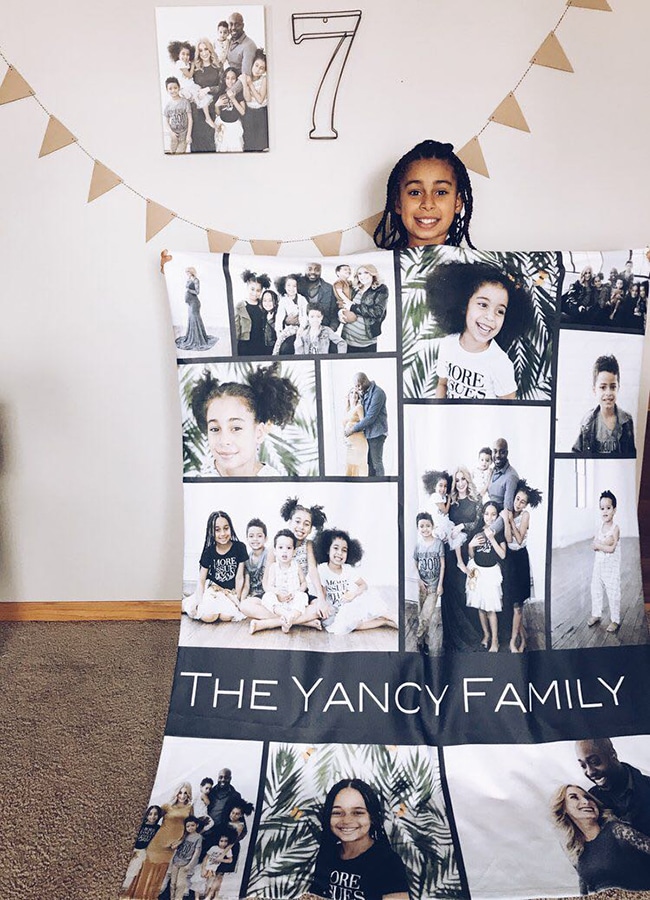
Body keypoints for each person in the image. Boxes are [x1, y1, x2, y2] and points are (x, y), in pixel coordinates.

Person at [427, 261, 534, 400]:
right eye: (483, 305)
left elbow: (508, 410)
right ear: (464, 305)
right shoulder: (447, 344)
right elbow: (443, 384)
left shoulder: (501, 363)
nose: (490, 317)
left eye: (500, 311)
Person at [190, 364, 300, 477]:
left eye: (236, 428)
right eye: (215, 429)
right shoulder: (196, 481)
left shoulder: (274, 482)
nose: (224, 440)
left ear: (259, 433)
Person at [309, 779, 409, 900]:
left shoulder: (388, 862)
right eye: (337, 812)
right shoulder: (327, 854)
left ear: (372, 817)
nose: (346, 820)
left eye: (357, 812)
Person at [373, 139, 474, 250]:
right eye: (415, 192)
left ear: (457, 203)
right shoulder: (365, 266)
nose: (427, 204)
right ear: (398, 203)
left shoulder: (480, 266)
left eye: (441, 192)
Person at [550, 784, 650, 895]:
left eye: (588, 797)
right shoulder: (577, 852)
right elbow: (585, 894)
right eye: (574, 797)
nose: (586, 802)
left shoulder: (617, 830)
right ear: (563, 809)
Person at [243, 498, 328, 628]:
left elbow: (312, 570)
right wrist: (277, 594)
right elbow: (266, 582)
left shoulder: (309, 545)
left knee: (322, 607)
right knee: (244, 605)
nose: (301, 527)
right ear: (289, 522)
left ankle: (269, 623)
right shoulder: (276, 545)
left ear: (310, 529)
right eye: (297, 521)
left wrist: (321, 599)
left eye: (306, 524)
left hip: (297, 593)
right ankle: (303, 621)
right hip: (277, 594)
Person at [315, 528, 397, 635]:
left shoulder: (347, 569)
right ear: (327, 550)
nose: (340, 553)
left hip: (350, 605)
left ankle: (391, 616)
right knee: (351, 625)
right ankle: (384, 622)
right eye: (336, 548)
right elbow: (322, 593)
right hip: (336, 611)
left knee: (369, 603)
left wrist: (354, 594)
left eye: (344, 550)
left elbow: (363, 585)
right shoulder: (322, 569)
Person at [440, 466, 483, 653]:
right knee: (451, 591)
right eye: (457, 480)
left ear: (468, 479)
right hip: (451, 552)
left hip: (470, 550)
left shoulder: (476, 500)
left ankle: (473, 635)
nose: (460, 483)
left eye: (463, 479)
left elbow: (479, 523)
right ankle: (452, 637)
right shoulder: (451, 501)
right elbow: (443, 521)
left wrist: (462, 526)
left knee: (467, 590)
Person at [125, 784, 194, 899]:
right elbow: (152, 817)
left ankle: (150, 896)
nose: (182, 796)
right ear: (176, 793)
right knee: (147, 866)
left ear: (189, 794)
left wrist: (181, 841)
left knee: (161, 871)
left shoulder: (189, 808)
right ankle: (137, 895)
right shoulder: (167, 806)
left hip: (172, 847)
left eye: (185, 793)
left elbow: (189, 827)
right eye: (180, 792)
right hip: (157, 842)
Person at [575, 738, 650, 837]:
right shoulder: (590, 801)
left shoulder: (647, 785)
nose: (590, 772)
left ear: (612, 754)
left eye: (594, 762)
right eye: (583, 765)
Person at [182, 510, 248, 624]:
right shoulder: (209, 552)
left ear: (231, 528)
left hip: (229, 593)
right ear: (211, 532)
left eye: (226, 528)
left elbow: (240, 577)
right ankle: (185, 604)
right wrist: (198, 600)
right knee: (209, 616)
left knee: (227, 616)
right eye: (217, 530)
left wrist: (236, 598)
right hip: (212, 589)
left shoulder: (240, 547)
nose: (222, 534)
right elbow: (202, 580)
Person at [503, 479, 542, 653]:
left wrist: (511, 522)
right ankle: (524, 639)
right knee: (512, 603)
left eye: (522, 501)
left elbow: (518, 539)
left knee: (518, 604)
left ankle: (514, 641)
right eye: (517, 499)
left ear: (526, 504)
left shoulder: (525, 515)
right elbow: (508, 539)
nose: (518, 503)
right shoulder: (508, 511)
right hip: (508, 558)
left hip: (520, 559)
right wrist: (508, 520)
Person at [572, 355, 636, 456]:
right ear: (594, 390)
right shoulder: (587, 422)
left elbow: (632, 455)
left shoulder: (627, 421)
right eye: (603, 387)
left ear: (618, 388)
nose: (608, 393)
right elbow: (576, 453)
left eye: (613, 387)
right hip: (595, 470)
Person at [466, 501, 507, 652]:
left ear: (497, 516)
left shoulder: (499, 531)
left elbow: (502, 555)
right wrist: (471, 545)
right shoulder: (477, 531)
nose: (489, 517)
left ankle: (495, 641)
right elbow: (471, 556)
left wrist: (492, 538)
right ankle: (486, 635)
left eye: (493, 514)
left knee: (491, 609)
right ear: (483, 515)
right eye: (487, 514)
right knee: (480, 607)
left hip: (491, 573)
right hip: (478, 572)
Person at [259, 529, 310, 632]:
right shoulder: (273, 567)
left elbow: (304, 583)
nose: (284, 551)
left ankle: (289, 618)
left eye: (289, 548)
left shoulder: (297, 566)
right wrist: (278, 594)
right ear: (275, 551)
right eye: (281, 547)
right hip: (279, 602)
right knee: (267, 597)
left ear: (294, 551)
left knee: (303, 596)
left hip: (293, 599)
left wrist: (297, 592)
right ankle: (287, 615)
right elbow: (270, 586)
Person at [587, 490, 621, 634]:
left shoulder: (615, 529)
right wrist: (601, 544)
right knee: (595, 589)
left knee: (613, 592)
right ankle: (596, 613)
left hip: (611, 568)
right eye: (602, 508)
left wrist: (600, 545)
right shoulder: (599, 527)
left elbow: (611, 548)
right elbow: (593, 544)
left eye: (608, 508)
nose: (605, 511)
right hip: (598, 566)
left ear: (614, 510)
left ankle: (615, 619)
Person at [413, 512, 445, 655]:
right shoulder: (418, 545)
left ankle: (418, 640)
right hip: (422, 586)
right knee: (422, 614)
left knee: (426, 614)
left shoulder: (438, 543)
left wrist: (440, 584)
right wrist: (419, 579)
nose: (425, 529)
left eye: (427, 526)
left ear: (432, 526)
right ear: (418, 528)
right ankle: (424, 641)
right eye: (422, 526)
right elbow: (415, 562)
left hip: (433, 586)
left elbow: (443, 565)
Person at [344, 373, 388, 477]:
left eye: (358, 386)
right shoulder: (365, 392)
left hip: (376, 434)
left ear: (364, 381)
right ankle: (371, 486)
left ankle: (381, 486)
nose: (357, 389)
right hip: (367, 435)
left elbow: (370, 418)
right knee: (369, 464)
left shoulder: (378, 393)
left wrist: (352, 430)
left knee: (376, 463)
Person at [339, 265, 389, 353]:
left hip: (366, 343)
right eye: (359, 274)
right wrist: (340, 312)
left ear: (373, 274)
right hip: (347, 339)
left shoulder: (381, 289)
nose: (363, 276)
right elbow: (343, 303)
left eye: (366, 272)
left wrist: (353, 307)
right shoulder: (354, 288)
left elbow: (378, 312)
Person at [167, 41, 214, 127]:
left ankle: (207, 117)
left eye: (187, 54)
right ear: (178, 55)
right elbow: (189, 75)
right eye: (183, 54)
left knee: (202, 97)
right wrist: (192, 66)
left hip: (190, 85)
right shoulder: (179, 63)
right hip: (185, 87)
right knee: (198, 97)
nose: (185, 56)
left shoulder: (186, 63)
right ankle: (206, 117)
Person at [190, 39, 224, 153]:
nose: (204, 53)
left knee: (211, 141)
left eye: (206, 49)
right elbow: (190, 85)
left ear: (210, 50)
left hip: (212, 108)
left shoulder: (218, 66)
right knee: (197, 143)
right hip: (197, 110)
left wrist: (209, 89)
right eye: (200, 50)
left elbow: (222, 86)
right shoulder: (195, 68)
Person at [175, 267, 218, 352]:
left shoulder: (196, 280)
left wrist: (189, 290)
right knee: (191, 319)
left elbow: (197, 292)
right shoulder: (189, 279)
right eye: (186, 272)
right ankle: (192, 336)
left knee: (195, 318)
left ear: (191, 272)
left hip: (195, 303)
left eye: (188, 272)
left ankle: (198, 338)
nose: (186, 274)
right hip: (190, 303)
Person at [121, 806, 163, 893]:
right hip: (133, 848)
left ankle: (124, 888)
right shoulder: (141, 824)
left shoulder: (157, 828)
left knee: (133, 869)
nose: (152, 816)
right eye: (150, 814)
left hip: (142, 851)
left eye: (155, 814)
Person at [193, 826, 240, 899]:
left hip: (212, 870)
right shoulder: (213, 848)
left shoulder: (228, 851)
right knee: (199, 883)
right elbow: (206, 857)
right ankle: (197, 898)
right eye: (221, 841)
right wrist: (203, 868)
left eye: (226, 841)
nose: (223, 843)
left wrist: (221, 860)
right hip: (205, 867)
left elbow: (230, 860)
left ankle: (208, 896)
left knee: (208, 884)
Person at [487, 438, 519, 535]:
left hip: (498, 530)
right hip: (487, 520)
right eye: (495, 451)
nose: (497, 455)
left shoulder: (511, 477)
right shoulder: (491, 471)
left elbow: (507, 512)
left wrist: (488, 532)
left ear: (507, 453)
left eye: (502, 452)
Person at [235, 269, 271, 356]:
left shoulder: (264, 305)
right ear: (247, 288)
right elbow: (236, 329)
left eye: (258, 290)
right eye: (252, 289)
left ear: (261, 291)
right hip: (245, 345)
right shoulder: (240, 306)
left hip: (261, 344)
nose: (255, 293)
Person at [168, 816, 203, 900]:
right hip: (176, 862)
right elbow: (174, 846)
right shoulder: (183, 835)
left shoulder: (198, 837)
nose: (190, 828)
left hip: (185, 864)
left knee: (180, 884)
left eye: (192, 825)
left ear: (196, 825)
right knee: (173, 883)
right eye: (188, 826)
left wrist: (190, 865)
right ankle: (172, 898)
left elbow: (196, 852)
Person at [273, 273, 309, 352]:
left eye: (294, 286)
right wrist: (279, 332)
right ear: (284, 287)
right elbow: (279, 317)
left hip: (303, 328)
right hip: (289, 329)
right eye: (288, 285)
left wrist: (302, 327)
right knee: (282, 346)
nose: (291, 288)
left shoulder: (302, 299)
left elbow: (304, 315)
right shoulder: (283, 301)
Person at [241, 49, 268, 151]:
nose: (258, 70)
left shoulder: (264, 79)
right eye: (256, 65)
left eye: (262, 68)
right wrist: (245, 83)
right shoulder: (247, 77)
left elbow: (260, 99)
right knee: (249, 142)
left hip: (261, 113)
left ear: (264, 70)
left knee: (261, 143)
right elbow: (247, 98)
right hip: (249, 112)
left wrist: (250, 84)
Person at [214, 67, 246, 152]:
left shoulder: (238, 93)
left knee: (236, 148)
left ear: (236, 80)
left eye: (233, 78)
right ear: (224, 79)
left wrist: (233, 99)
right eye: (227, 78)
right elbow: (218, 113)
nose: (230, 81)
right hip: (222, 125)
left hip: (234, 126)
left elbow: (243, 112)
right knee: (222, 148)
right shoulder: (220, 92)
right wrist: (217, 105)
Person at [298, 263, 338, 329]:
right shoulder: (296, 287)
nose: (313, 272)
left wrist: (331, 329)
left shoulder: (329, 288)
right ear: (305, 270)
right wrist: (287, 320)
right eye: (310, 269)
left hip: (322, 330)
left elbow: (334, 313)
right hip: (300, 330)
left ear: (321, 271)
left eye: (317, 270)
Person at [343, 387, 369, 477]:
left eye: (356, 393)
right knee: (349, 467)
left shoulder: (359, 407)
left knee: (359, 467)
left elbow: (363, 424)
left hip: (359, 442)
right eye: (352, 392)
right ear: (348, 395)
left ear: (358, 396)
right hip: (349, 444)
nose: (354, 394)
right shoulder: (347, 410)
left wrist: (352, 429)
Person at [163, 77, 192, 154]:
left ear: (179, 87)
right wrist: (171, 132)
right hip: (173, 136)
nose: (173, 90)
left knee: (179, 154)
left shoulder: (185, 102)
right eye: (170, 88)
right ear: (167, 90)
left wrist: (188, 135)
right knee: (172, 154)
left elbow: (190, 119)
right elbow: (166, 121)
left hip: (183, 136)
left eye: (175, 88)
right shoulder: (168, 105)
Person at [243, 518, 268, 601]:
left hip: (267, 594)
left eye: (259, 536)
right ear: (247, 539)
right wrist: (242, 601)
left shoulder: (269, 555)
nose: (255, 539)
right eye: (251, 536)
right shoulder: (246, 559)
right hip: (253, 596)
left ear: (265, 538)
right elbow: (246, 585)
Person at [226, 12, 258, 77]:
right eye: (231, 24)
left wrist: (231, 87)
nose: (233, 28)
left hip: (240, 84)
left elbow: (245, 77)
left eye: (237, 24)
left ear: (243, 25)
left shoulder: (248, 45)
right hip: (228, 81)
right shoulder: (228, 42)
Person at [260, 288, 278, 352]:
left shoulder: (278, 314)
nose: (267, 303)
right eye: (264, 300)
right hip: (264, 347)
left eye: (270, 300)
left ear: (275, 301)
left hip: (275, 348)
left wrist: (270, 320)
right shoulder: (263, 314)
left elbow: (278, 330)